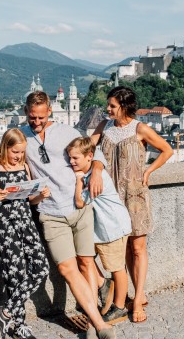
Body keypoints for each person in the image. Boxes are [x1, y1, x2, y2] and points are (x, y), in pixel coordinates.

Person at [20, 91, 116, 339]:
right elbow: (3, 160)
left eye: (41, 117)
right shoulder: (22, 137)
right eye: (32, 117)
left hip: (80, 207)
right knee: (66, 268)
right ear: (26, 113)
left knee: (85, 263)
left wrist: (95, 172)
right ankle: (100, 324)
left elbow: (95, 153)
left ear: (49, 111)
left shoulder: (67, 132)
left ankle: (95, 316)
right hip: (50, 213)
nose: (37, 122)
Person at [91, 86, 173, 323]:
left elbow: (167, 150)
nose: (108, 109)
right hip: (110, 198)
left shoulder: (140, 129)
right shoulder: (104, 127)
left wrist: (149, 171)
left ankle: (137, 299)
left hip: (135, 196)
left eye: (112, 106)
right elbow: (88, 148)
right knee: (122, 249)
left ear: (124, 107)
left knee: (138, 248)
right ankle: (128, 294)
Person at [0, 128, 50, 339]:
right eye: (15, 152)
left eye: (21, 152)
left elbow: (30, 201)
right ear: (5, 147)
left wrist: (40, 195)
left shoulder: (24, 167)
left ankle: (5, 311)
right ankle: (19, 325)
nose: (18, 156)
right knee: (15, 275)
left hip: (26, 223)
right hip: (5, 226)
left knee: (41, 268)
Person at [68, 137, 131, 325]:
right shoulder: (92, 173)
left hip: (112, 228)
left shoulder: (96, 178)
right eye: (70, 158)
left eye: (75, 158)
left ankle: (119, 308)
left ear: (89, 157)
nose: (71, 162)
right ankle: (106, 288)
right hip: (106, 228)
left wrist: (78, 181)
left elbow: (80, 202)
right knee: (92, 260)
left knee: (117, 268)